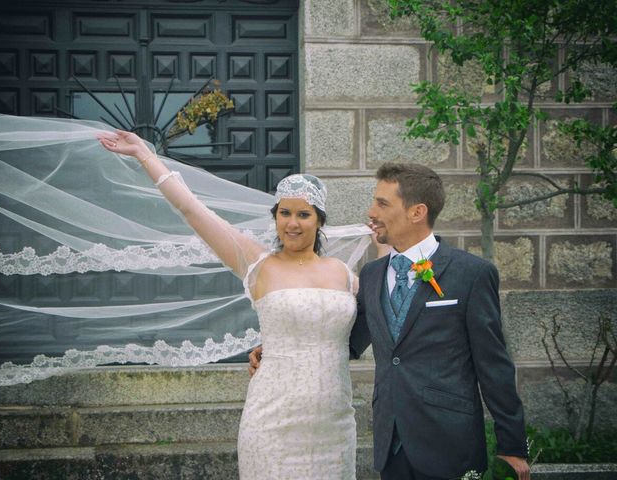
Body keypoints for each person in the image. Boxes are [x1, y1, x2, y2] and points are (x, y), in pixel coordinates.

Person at [98, 130, 360, 479]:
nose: (292, 223)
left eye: (304, 214)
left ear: (320, 220)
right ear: (275, 217)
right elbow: (191, 209)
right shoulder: (257, 262)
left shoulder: (343, 274)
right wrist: (146, 155)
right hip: (273, 421)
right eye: (284, 213)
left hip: (334, 425)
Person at [250, 162, 530, 480]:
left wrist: (514, 446)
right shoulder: (371, 275)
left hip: (450, 443)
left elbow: (494, 365)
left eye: (382, 204)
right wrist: (276, 346)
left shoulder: (472, 274)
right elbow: (345, 339)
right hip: (391, 447)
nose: (371, 212)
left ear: (417, 212)